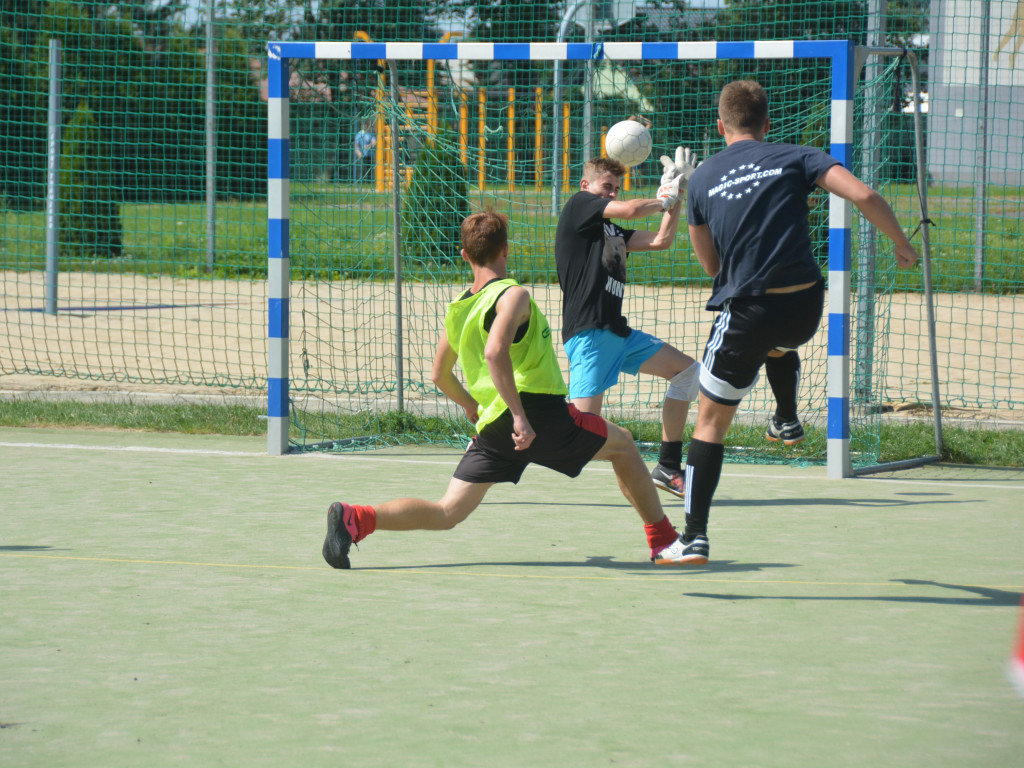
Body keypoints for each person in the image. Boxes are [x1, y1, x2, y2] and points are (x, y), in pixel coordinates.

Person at [323, 211, 703, 570]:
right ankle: (664, 542)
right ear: (506, 250)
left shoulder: (459, 308)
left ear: (464, 255)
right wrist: (520, 415)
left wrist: (474, 407)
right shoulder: (513, 295)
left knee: (448, 511)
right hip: (536, 413)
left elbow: (439, 375)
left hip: (494, 424)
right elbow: (494, 351)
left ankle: (357, 518)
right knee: (623, 446)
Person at [674, 80, 920, 563]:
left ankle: (693, 537)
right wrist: (902, 243)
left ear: (721, 125)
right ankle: (786, 419)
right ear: (767, 126)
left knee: (709, 422)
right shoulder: (798, 155)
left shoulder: (702, 178)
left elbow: (711, 268)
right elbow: (864, 195)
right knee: (780, 344)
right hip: (805, 308)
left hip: (748, 310)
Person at [554, 152, 701, 500]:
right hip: (589, 333)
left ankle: (667, 466)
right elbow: (634, 209)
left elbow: (662, 240)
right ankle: (504, 436)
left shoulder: (612, 229)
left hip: (617, 333)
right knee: (580, 438)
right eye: (607, 187)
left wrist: (677, 195)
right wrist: (663, 194)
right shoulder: (579, 206)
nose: (612, 195)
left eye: (616, 189)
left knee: (687, 373)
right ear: (585, 185)